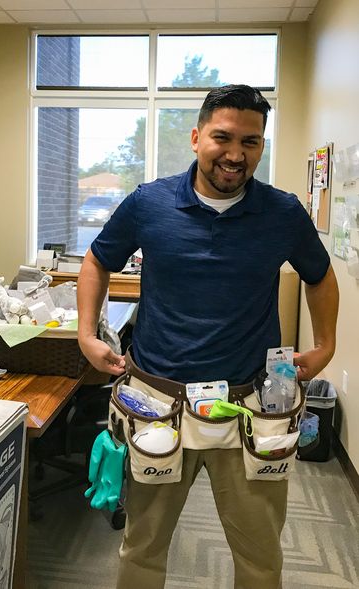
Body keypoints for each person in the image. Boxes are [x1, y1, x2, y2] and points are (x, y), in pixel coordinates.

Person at [77, 84, 339, 589]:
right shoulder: (148, 204)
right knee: (142, 549)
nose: (236, 154)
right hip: (159, 403)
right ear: (197, 138)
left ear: (262, 145)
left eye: (252, 142)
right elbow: (97, 260)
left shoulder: (282, 213)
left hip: (252, 406)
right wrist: (87, 334)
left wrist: (325, 344)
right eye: (223, 137)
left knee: (260, 555)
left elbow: (320, 274)